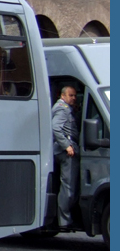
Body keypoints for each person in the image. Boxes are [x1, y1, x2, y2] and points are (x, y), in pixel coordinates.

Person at [51, 85, 80, 229]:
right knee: (68, 187)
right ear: (62, 95)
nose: (73, 98)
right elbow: (55, 127)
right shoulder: (62, 109)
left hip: (60, 150)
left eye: (75, 95)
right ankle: (65, 221)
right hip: (65, 152)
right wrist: (67, 145)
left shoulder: (64, 108)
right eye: (71, 95)